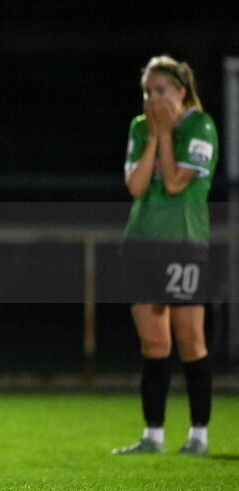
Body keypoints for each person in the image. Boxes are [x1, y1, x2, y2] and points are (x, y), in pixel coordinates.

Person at [114, 55, 217, 456]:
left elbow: (175, 183)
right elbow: (137, 187)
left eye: (160, 91)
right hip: (141, 242)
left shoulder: (200, 126)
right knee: (153, 343)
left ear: (181, 92)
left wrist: (167, 135)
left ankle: (199, 435)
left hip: (184, 242)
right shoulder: (141, 128)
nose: (152, 99)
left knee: (190, 339)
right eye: (147, 92)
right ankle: (153, 435)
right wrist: (155, 136)